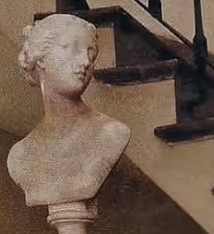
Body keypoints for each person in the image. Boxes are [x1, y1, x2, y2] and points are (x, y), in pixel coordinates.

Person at [7, 13, 131, 208]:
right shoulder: (20, 155)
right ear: (40, 58)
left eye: (91, 54)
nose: (85, 62)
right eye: (71, 48)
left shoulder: (111, 133)